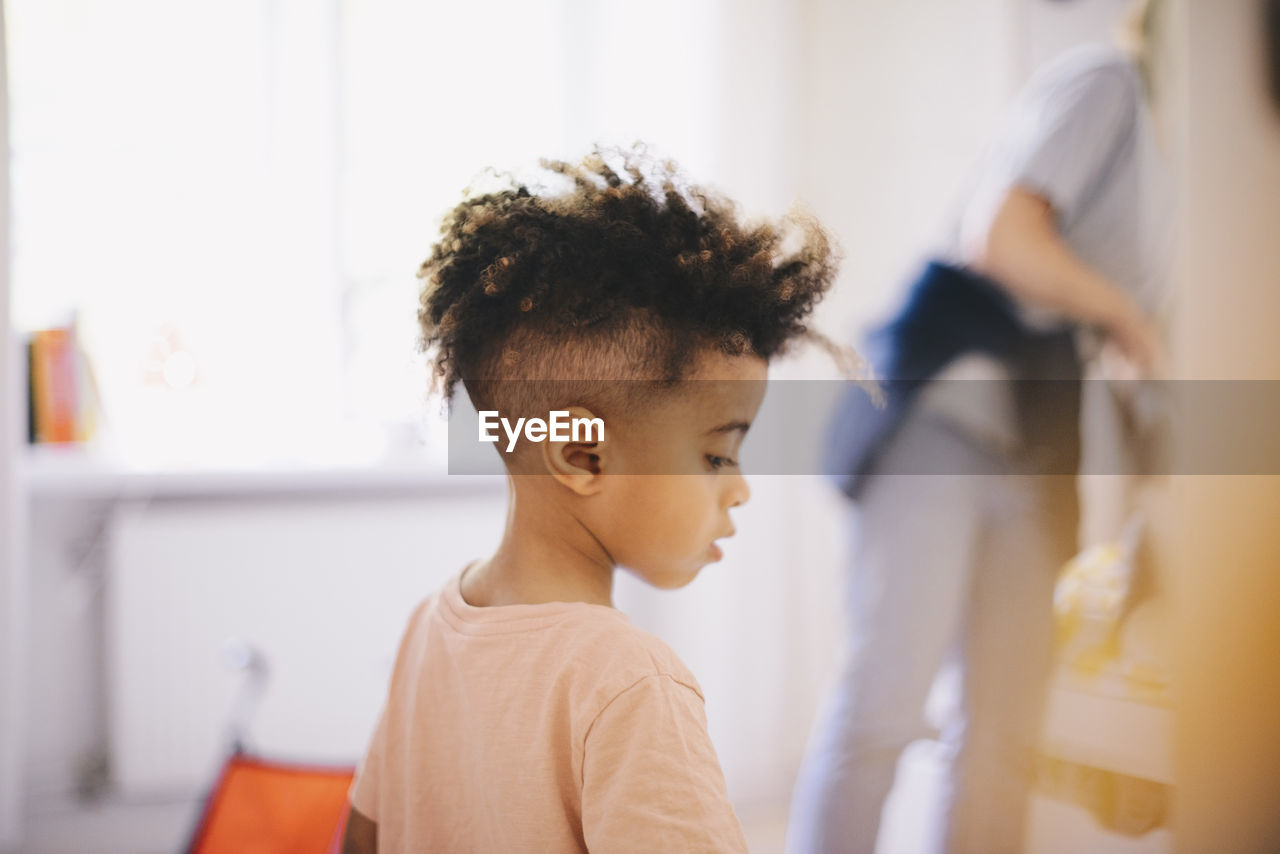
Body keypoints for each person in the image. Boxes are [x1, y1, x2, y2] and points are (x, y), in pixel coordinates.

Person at [340, 147, 842, 853]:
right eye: (716, 454)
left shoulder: (432, 626)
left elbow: (360, 839)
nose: (741, 487)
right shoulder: (629, 681)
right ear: (581, 454)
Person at [787, 1, 1172, 852]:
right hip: (946, 416)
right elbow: (1003, 238)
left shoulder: (1194, 175)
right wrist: (1130, 323)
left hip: (1036, 446)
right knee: (885, 709)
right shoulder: (1110, 85)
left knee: (1004, 730)